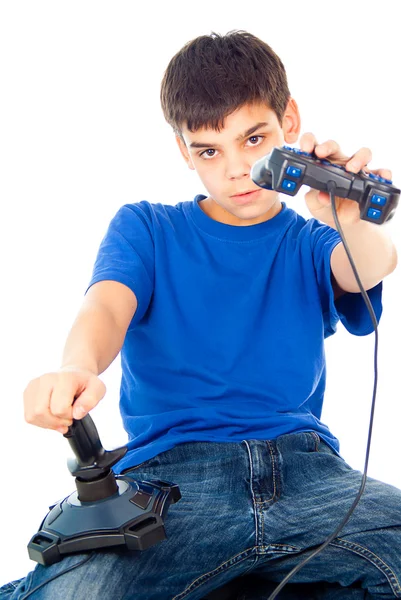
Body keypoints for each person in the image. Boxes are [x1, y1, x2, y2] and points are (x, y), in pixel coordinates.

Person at [1, 30, 400, 600]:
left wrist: (350, 219)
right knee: (74, 592)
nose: (237, 170)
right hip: (176, 480)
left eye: (254, 140)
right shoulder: (148, 227)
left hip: (308, 473)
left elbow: (371, 262)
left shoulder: (312, 242)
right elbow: (108, 304)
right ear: (184, 152)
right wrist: (78, 366)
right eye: (210, 150)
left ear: (289, 123)